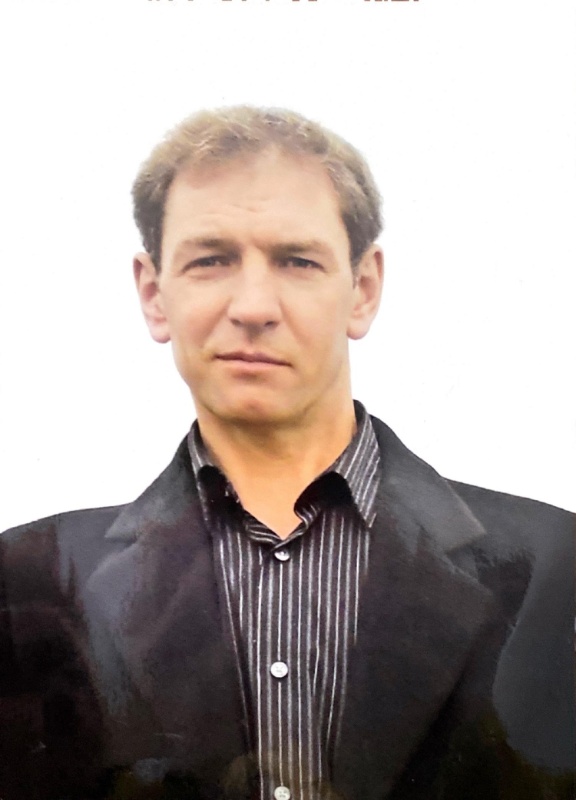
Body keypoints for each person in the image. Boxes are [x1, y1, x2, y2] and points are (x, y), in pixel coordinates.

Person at [0, 106, 573, 800]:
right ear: (154, 294)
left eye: (297, 261)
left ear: (363, 289)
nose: (253, 306)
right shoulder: (27, 584)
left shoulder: (556, 570)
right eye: (211, 260)